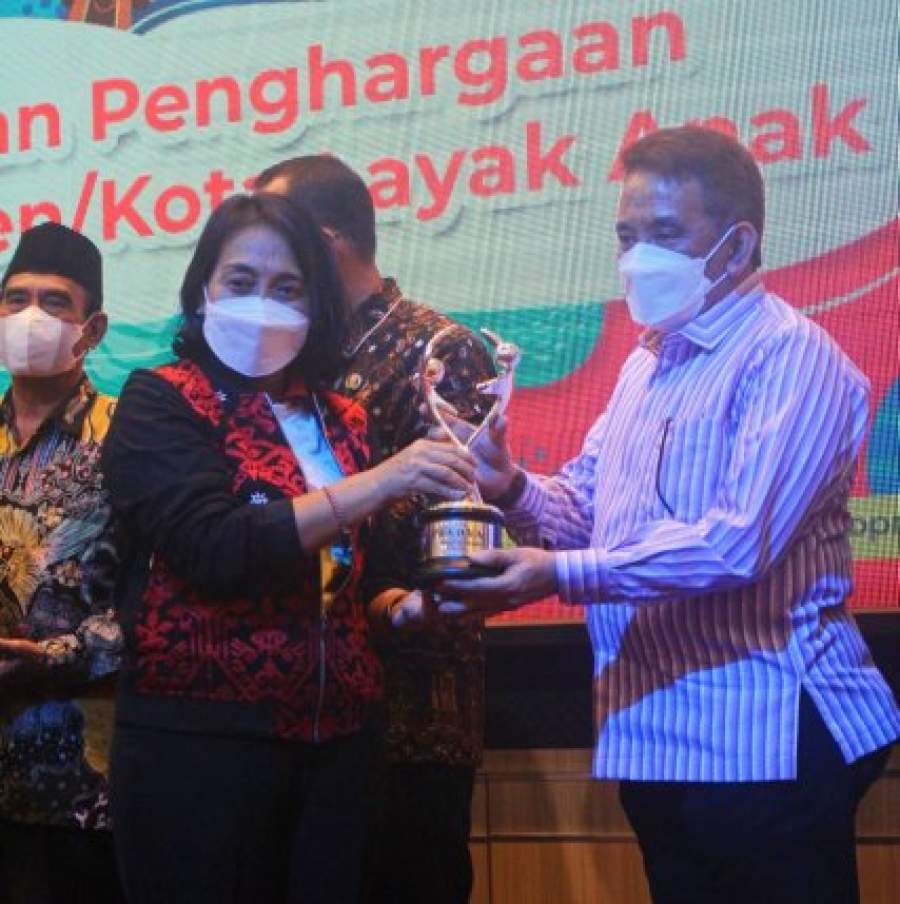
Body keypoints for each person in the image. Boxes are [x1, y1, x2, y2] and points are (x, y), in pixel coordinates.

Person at [436, 126, 900, 904]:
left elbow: (735, 544)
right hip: (661, 735)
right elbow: (586, 511)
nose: (637, 258)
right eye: (627, 236)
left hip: (768, 734)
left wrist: (558, 575)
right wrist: (509, 484)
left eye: (664, 234)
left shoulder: (791, 355)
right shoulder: (648, 361)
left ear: (736, 244)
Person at [100, 192, 475, 904]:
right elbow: (214, 546)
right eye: (241, 282)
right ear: (203, 291)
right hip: (201, 754)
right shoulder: (159, 400)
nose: (262, 304)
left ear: (316, 304)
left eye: (287, 288)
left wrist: (401, 607)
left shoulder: (344, 420)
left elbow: (349, 579)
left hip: (341, 753)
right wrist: (382, 480)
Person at [256, 154, 496, 904]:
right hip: (295, 700)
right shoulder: (292, 356)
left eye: (277, 238)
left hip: (409, 707)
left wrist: (323, 519)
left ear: (327, 245)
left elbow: (450, 527)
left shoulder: (437, 350)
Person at [0, 222, 123, 903]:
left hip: (81, 783)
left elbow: (160, 599)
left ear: (92, 329)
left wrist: (54, 657)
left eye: (54, 302)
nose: (30, 317)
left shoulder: (128, 434)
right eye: (15, 299)